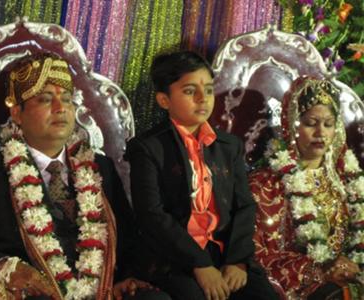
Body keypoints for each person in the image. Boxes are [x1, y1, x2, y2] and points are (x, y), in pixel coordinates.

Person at [0, 53, 171, 300]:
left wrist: (125, 277)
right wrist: (3, 266)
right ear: (17, 113)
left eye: (66, 99)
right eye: (45, 99)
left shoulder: (99, 166)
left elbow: (127, 239)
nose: (60, 108)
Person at [125, 51, 279, 300]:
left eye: (208, 90)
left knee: (262, 296)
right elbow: (152, 215)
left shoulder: (228, 146)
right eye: (189, 91)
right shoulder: (148, 148)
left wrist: (237, 261)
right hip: (174, 257)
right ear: (164, 100)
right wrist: (200, 264)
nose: (202, 98)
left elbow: (245, 206)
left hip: (224, 254)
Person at [250, 77, 364, 299]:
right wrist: (320, 271)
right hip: (309, 289)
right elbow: (259, 256)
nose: (321, 132)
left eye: (328, 124)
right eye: (311, 123)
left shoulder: (348, 181)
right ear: (293, 123)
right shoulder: (266, 186)